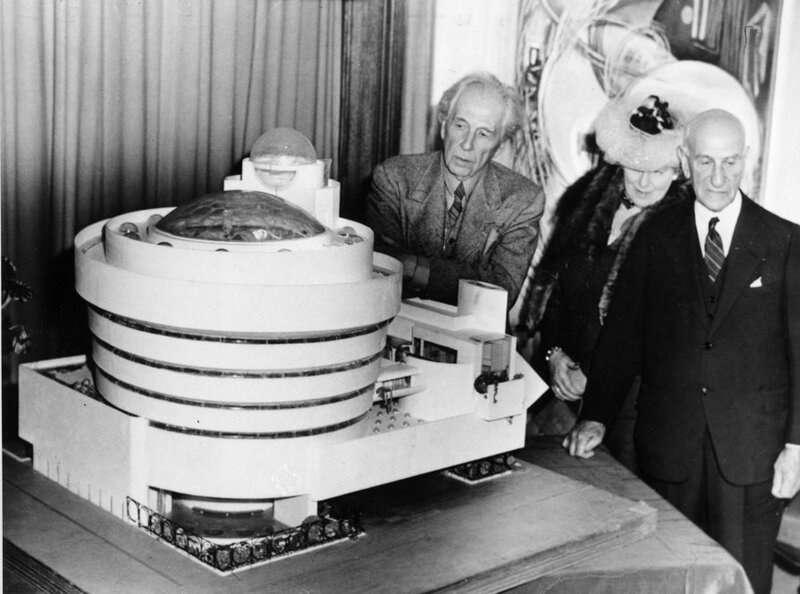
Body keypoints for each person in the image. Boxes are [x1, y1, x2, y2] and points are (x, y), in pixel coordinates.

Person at [564, 109, 800, 594]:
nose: (718, 177)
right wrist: (597, 415)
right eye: (706, 162)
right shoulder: (655, 235)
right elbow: (624, 334)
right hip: (669, 448)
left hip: (750, 457)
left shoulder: (785, 241)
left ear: (746, 161)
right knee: (668, 581)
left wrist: (796, 448)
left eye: (730, 162)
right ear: (685, 160)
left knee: (742, 584)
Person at [520, 94, 691, 471]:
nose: (645, 181)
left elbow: (658, 338)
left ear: (678, 170)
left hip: (628, 407)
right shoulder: (587, 200)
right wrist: (555, 355)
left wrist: (593, 377)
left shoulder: (681, 234)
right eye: (635, 166)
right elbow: (555, 294)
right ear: (617, 161)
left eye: (659, 170)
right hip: (558, 385)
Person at [366, 72, 544, 310]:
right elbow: (383, 268)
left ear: (499, 146)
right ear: (443, 127)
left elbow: (502, 292)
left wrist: (416, 269)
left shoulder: (523, 199)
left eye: (483, 134)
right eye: (461, 125)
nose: (467, 144)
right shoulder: (394, 177)